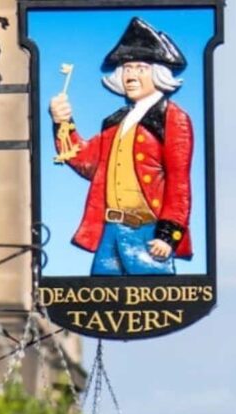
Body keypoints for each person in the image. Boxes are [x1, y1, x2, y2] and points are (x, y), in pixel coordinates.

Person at [50, 17, 193, 275]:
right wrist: (63, 123)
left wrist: (168, 235)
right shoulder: (117, 121)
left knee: (154, 307)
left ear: (158, 73)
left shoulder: (173, 118)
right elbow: (86, 160)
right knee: (101, 305)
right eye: (127, 68)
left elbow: (178, 182)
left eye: (140, 68)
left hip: (148, 234)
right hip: (110, 232)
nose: (131, 75)